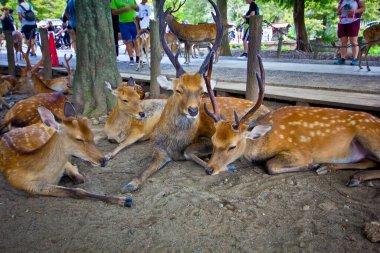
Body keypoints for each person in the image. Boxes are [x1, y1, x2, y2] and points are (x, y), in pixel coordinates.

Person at [335, 0, 366, 65]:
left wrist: (354, 11)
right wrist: (339, 11)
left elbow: (363, 8)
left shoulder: (358, 0)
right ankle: (342, 58)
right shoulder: (342, 1)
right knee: (343, 42)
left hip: (354, 21)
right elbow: (337, 12)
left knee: (353, 41)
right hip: (342, 22)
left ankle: (355, 59)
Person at [111, 0, 141, 66]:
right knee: (128, 41)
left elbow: (138, 9)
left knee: (136, 40)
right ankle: (131, 59)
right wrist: (124, 9)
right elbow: (113, 12)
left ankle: (138, 58)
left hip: (134, 22)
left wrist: (135, 7)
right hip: (123, 23)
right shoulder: (115, 1)